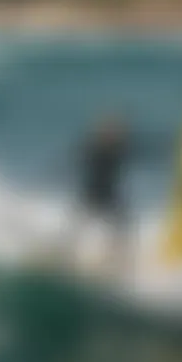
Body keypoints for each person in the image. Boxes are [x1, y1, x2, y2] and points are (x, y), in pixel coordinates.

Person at [65, 114, 132, 269]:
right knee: (79, 224)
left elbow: (147, 153)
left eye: (117, 132)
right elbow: (72, 161)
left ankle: (118, 258)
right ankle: (68, 254)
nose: (114, 135)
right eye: (110, 131)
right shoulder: (93, 148)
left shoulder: (121, 149)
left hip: (109, 194)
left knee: (122, 224)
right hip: (92, 193)